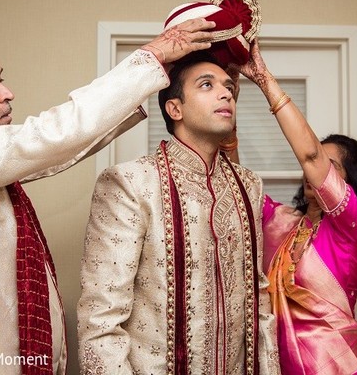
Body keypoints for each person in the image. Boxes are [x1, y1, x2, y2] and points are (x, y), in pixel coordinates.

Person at [0, 18, 215, 375]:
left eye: (1, 79)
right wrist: (152, 57)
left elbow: (55, 152)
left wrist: (151, 77)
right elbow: (52, 137)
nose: (6, 93)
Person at [77, 52, 280, 375]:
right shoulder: (130, 184)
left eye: (228, 86)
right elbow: (100, 322)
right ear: (175, 109)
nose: (226, 92)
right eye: (206, 85)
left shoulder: (248, 186)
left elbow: (259, 299)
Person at [225, 41, 357, 374]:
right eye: (315, 161)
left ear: (348, 182)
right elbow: (236, 183)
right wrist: (228, 109)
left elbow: (310, 155)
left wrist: (265, 80)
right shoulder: (281, 224)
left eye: (329, 164)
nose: (314, 170)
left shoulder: (351, 232)